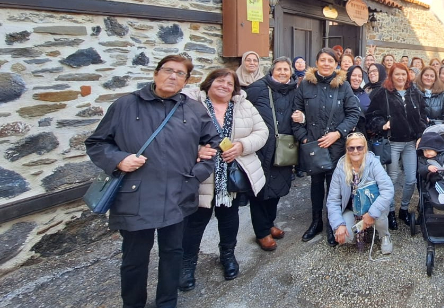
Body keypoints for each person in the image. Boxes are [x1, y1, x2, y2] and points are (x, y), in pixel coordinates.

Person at [85, 55, 221, 308]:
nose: (173, 76)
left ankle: (167, 303)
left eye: (180, 73)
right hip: (137, 194)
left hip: (178, 192)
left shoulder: (193, 109)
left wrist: (198, 173)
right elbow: (97, 143)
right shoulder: (125, 106)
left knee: (172, 253)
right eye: (168, 70)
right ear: (156, 73)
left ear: (186, 80)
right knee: (135, 258)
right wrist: (119, 159)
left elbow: (213, 143)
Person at [180, 68, 268, 288]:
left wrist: (241, 146)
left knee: (229, 217)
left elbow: (261, 132)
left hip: (231, 174)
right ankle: (187, 264)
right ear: (209, 83)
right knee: (195, 221)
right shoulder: (192, 106)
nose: (225, 86)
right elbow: (176, 135)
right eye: (220, 81)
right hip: (201, 174)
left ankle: (227, 255)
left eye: (230, 84)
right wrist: (197, 149)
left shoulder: (243, 106)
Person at [293, 48, 361, 246]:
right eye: (322, 60)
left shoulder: (343, 86)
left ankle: (334, 223)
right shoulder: (305, 85)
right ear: (316, 62)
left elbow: (353, 114)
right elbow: (295, 115)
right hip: (314, 146)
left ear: (335, 64)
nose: (326, 64)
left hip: (336, 146)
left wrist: (338, 133)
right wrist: (304, 139)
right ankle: (316, 222)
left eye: (330, 61)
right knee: (316, 185)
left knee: (335, 187)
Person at [245, 58, 298, 253]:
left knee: (277, 188)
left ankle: (269, 223)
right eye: (279, 69)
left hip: (284, 147)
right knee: (259, 190)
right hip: (261, 147)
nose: (283, 72)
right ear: (271, 71)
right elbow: (242, 110)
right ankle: (261, 232)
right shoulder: (258, 88)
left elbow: (301, 111)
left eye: (286, 69)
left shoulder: (295, 90)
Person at [366, 63, 427, 228]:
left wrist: (421, 134)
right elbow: (371, 115)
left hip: (410, 142)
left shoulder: (415, 93)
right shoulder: (382, 93)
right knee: (391, 179)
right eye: (397, 74)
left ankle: (404, 209)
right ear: (391, 76)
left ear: (407, 75)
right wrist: (382, 124)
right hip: (392, 142)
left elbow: (422, 115)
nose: (400, 77)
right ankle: (391, 211)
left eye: (403, 74)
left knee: (411, 179)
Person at [327, 132, 395, 254]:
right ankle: (357, 228)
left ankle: (384, 235)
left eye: (359, 147)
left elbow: (388, 190)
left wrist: (372, 213)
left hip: (372, 205)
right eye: (351, 148)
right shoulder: (340, 167)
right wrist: (338, 225)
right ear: (347, 149)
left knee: (378, 216)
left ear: (365, 148)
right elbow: (333, 199)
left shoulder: (373, 163)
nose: (355, 151)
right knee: (346, 237)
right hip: (351, 208)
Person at [347, 65, 370, 135]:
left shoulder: (364, 94)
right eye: (353, 75)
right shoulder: (341, 93)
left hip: (362, 136)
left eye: (360, 76)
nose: (357, 78)